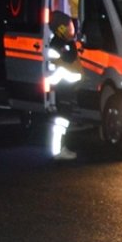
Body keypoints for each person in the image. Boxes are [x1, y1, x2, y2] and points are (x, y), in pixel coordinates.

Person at [47, 11, 82, 160]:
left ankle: (61, 149)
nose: (71, 30)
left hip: (67, 88)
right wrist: (71, 45)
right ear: (60, 29)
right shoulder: (57, 45)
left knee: (64, 119)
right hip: (62, 88)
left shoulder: (64, 44)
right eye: (68, 27)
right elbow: (67, 61)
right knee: (61, 120)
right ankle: (58, 151)